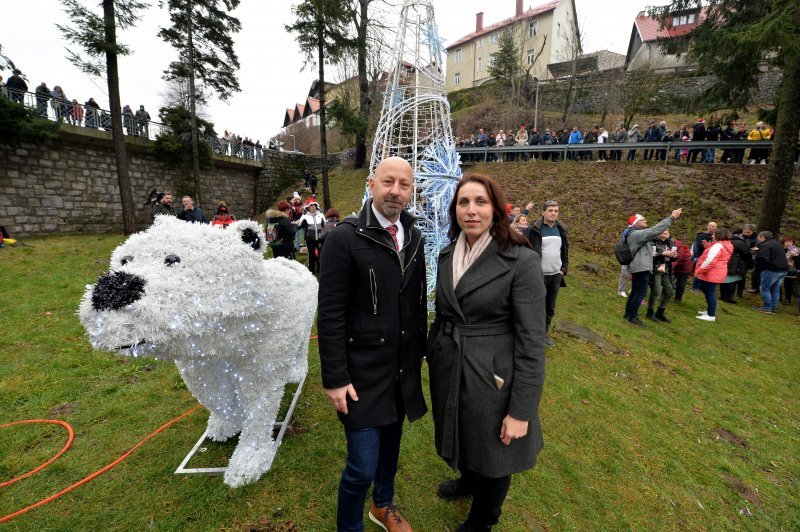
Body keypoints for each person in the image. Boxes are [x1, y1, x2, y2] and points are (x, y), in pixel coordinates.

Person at [428, 174, 546, 531]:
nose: (471, 210)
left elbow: (532, 342)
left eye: (480, 202)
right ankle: (468, 480)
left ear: (497, 209)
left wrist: (521, 411)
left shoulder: (520, 260)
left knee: (495, 449)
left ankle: (483, 519)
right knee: (463, 429)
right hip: (450, 363)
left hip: (494, 370)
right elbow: (444, 309)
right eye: (463, 202)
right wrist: (434, 350)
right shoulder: (448, 254)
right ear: (455, 210)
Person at [318, 157, 427, 531]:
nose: (396, 191)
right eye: (388, 182)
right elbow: (330, 312)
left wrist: (419, 359)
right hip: (360, 375)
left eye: (404, 185)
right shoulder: (344, 238)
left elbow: (416, 303)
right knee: (361, 467)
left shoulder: (414, 237)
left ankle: (382, 506)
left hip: (400, 371)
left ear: (411, 191)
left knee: (390, 453)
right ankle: (349, 527)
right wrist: (334, 377)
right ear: (371, 184)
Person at [623, 209, 683, 326]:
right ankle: (633, 317)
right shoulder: (636, 234)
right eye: (642, 219)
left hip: (639, 266)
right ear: (636, 223)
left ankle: (628, 314)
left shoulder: (634, 233)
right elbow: (655, 230)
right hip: (641, 267)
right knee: (640, 292)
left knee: (635, 291)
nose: (645, 220)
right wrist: (671, 218)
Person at [524, 199, 569, 346]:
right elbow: (525, 251)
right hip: (539, 275)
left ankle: (542, 335)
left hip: (556, 275)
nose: (553, 213)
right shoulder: (533, 229)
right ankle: (531, 335)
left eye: (556, 211)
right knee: (536, 307)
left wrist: (563, 269)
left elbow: (565, 251)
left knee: (550, 308)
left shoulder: (561, 229)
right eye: (550, 210)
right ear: (543, 212)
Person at [695, 228, 733, 322]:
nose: (712, 236)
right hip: (718, 272)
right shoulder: (726, 245)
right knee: (708, 290)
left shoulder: (718, 246)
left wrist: (699, 270)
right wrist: (708, 247)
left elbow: (710, 261)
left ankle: (711, 315)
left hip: (712, 272)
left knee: (710, 292)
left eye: (714, 234)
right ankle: (709, 311)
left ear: (719, 235)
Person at [753, 231, 789, 313]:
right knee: (775, 289)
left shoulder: (765, 245)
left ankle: (767, 307)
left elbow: (762, 259)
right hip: (783, 269)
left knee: (765, 288)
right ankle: (773, 308)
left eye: (758, 237)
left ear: (762, 237)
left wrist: (758, 270)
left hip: (772, 270)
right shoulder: (777, 243)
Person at [646, 229, 677, 322]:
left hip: (666, 269)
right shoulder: (653, 241)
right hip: (656, 268)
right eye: (663, 230)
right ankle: (650, 312)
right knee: (656, 291)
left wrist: (675, 256)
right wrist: (663, 253)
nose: (665, 231)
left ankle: (660, 313)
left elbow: (673, 259)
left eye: (667, 230)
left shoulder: (670, 242)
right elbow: (650, 256)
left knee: (670, 292)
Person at [720, 229, 752, 304]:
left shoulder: (725, 241)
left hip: (725, 262)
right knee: (732, 281)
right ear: (740, 234)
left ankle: (722, 296)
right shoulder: (740, 242)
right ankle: (728, 298)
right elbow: (746, 254)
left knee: (723, 280)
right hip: (735, 264)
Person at [298, 201, 324, 274]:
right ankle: (311, 270)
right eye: (311, 206)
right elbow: (299, 226)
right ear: (308, 208)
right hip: (309, 239)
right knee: (311, 255)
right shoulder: (305, 216)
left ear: (316, 207)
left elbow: (324, 225)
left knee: (321, 254)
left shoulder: (321, 215)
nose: (313, 207)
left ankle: (320, 269)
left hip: (319, 238)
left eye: (314, 206)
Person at [692, 222, 718, 290]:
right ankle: (696, 287)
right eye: (713, 226)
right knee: (700, 271)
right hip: (701, 256)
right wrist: (708, 245)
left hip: (710, 256)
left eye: (716, 226)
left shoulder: (716, 236)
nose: (714, 228)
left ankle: (702, 287)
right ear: (708, 227)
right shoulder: (702, 235)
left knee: (705, 272)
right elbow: (698, 244)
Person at [671, 237, 693, 303]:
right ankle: (664, 296)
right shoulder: (669, 245)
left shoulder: (679, 248)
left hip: (685, 269)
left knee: (681, 284)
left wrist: (669, 267)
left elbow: (678, 259)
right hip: (676, 267)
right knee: (668, 281)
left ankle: (677, 299)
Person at [781, 236, 799, 305]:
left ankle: (788, 299)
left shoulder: (796, 250)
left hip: (791, 270)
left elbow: (798, 262)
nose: (789, 243)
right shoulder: (780, 249)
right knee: (778, 283)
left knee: (788, 284)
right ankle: (779, 298)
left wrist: (795, 257)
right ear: (783, 242)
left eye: (790, 242)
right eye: (787, 242)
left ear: (793, 243)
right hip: (780, 267)